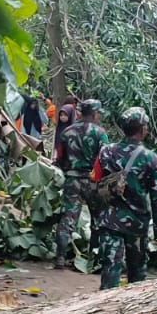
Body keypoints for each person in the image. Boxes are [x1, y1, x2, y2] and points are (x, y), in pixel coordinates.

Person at [91, 107, 157, 289]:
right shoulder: (150, 158)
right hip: (137, 225)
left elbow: (94, 181)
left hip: (109, 221)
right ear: (142, 129)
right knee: (137, 276)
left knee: (110, 271)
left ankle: (105, 311)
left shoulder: (106, 152)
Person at [53, 99, 107, 270]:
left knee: (67, 218)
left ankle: (60, 256)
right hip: (93, 181)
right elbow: (105, 159)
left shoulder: (67, 132)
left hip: (72, 179)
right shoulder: (100, 133)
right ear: (94, 113)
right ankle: (95, 256)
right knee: (97, 220)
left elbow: (59, 157)